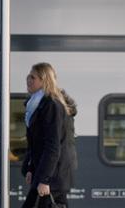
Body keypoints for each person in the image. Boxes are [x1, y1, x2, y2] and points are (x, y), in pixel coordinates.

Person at [21, 63, 77, 208]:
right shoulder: (37, 104)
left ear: (44, 80)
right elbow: (35, 143)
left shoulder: (51, 105)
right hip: (46, 172)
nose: (28, 80)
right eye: (28, 76)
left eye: (32, 77)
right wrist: (30, 169)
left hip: (53, 175)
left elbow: (52, 146)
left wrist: (45, 180)